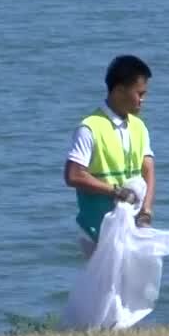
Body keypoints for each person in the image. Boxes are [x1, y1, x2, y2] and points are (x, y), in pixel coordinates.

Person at [63, 55, 156, 256]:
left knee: (133, 286)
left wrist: (146, 211)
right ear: (120, 90)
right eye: (139, 93)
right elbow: (73, 175)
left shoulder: (139, 127)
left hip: (130, 226)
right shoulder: (90, 128)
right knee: (107, 287)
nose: (143, 99)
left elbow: (148, 169)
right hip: (97, 228)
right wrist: (115, 192)